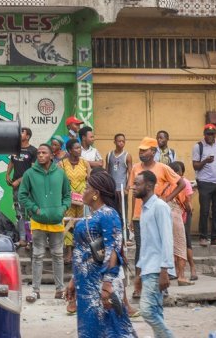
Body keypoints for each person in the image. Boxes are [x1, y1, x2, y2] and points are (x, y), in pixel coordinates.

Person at [65, 170, 136, 337]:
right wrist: (74, 279)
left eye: (87, 188)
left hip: (101, 286)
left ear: (96, 194)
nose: (83, 192)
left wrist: (107, 286)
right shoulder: (92, 216)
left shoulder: (109, 214)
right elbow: (84, 253)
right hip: (86, 284)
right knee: (91, 330)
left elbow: (113, 251)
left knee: (112, 330)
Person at [128, 138, 186, 298]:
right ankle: (138, 286)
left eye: (144, 150)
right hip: (140, 216)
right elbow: (133, 193)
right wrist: (132, 216)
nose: (141, 153)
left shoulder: (163, 168)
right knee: (141, 249)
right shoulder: (135, 168)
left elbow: (181, 184)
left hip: (157, 213)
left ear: (153, 152)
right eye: (139, 150)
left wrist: (167, 199)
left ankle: (163, 281)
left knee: (161, 244)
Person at [20, 144, 71, 303]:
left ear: (51, 156)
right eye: (39, 153)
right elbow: (22, 196)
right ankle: (35, 290)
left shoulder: (60, 173)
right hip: (38, 221)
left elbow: (67, 196)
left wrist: (63, 209)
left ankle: (60, 289)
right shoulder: (29, 173)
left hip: (56, 220)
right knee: (37, 255)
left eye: (44, 153)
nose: (40, 155)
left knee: (58, 255)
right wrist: (35, 209)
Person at [133, 170, 176, 338]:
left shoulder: (160, 207)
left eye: (137, 184)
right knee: (156, 312)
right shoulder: (145, 208)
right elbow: (145, 245)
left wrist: (165, 270)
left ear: (149, 186)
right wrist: (139, 272)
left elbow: (167, 239)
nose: (133, 187)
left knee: (147, 311)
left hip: (157, 268)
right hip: (148, 267)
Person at [61, 138, 91, 309]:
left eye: (80, 147)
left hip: (82, 197)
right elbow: (60, 180)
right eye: (76, 148)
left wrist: (85, 194)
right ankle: (69, 252)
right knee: (68, 225)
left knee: (81, 224)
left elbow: (90, 179)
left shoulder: (85, 163)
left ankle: (80, 247)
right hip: (67, 197)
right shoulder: (62, 164)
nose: (79, 150)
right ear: (70, 150)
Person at [192, 123, 216, 246]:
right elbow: (195, 165)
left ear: (215, 134)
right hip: (204, 182)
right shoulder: (198, 146)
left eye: (212, 134)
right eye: (208, 134)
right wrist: (205, 161)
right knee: (204, 210)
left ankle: (215, 237)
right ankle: (203, 237)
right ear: (204, 134)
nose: (210, 136)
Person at [6, 127, 38, 247]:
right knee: (18, 212)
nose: (19, 134)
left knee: (30, 212)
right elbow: (12, 162)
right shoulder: (16, 149)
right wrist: (7, 174)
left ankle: (32, 240)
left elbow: (33, 170)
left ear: (28, 136)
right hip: (15, 187)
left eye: (22, 132)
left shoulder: (33, 151)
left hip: (28, 187)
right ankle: (22, 239)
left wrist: (19, 181)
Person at [170, 161, 198, 282]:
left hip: (184, 215)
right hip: (176, 215)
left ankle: (192, 268)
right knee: (177, 244)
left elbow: (188, 203)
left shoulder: (184, 183)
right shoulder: (170, 182)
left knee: (186, 243)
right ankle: (178, 272)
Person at [107, 133, 132, 227]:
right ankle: (114, 232)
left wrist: (127, 188)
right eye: (119, 141)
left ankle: (125, 234)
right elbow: (107, 172)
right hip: (111, 189)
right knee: (112, 211)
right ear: (114, 142)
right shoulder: (109, 155)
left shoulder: (127, 156)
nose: (121, 143)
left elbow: (131, 173)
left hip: (121, 189)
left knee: (123, 211)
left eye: (123, 141)